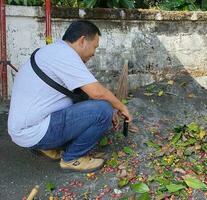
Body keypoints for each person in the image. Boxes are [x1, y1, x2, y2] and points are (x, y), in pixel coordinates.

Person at [8, 20, 132, 172]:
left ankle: (46, 147)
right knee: (103, 110)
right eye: (95, 47)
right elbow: (97, 92)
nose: (94, 53)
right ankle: (72, 158)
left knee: (94, 104)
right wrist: (121, 107)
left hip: (23, 129)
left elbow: (84, 92)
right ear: (82, 41)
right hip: (33, 131)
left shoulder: (53, 51)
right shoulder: (66, 55)